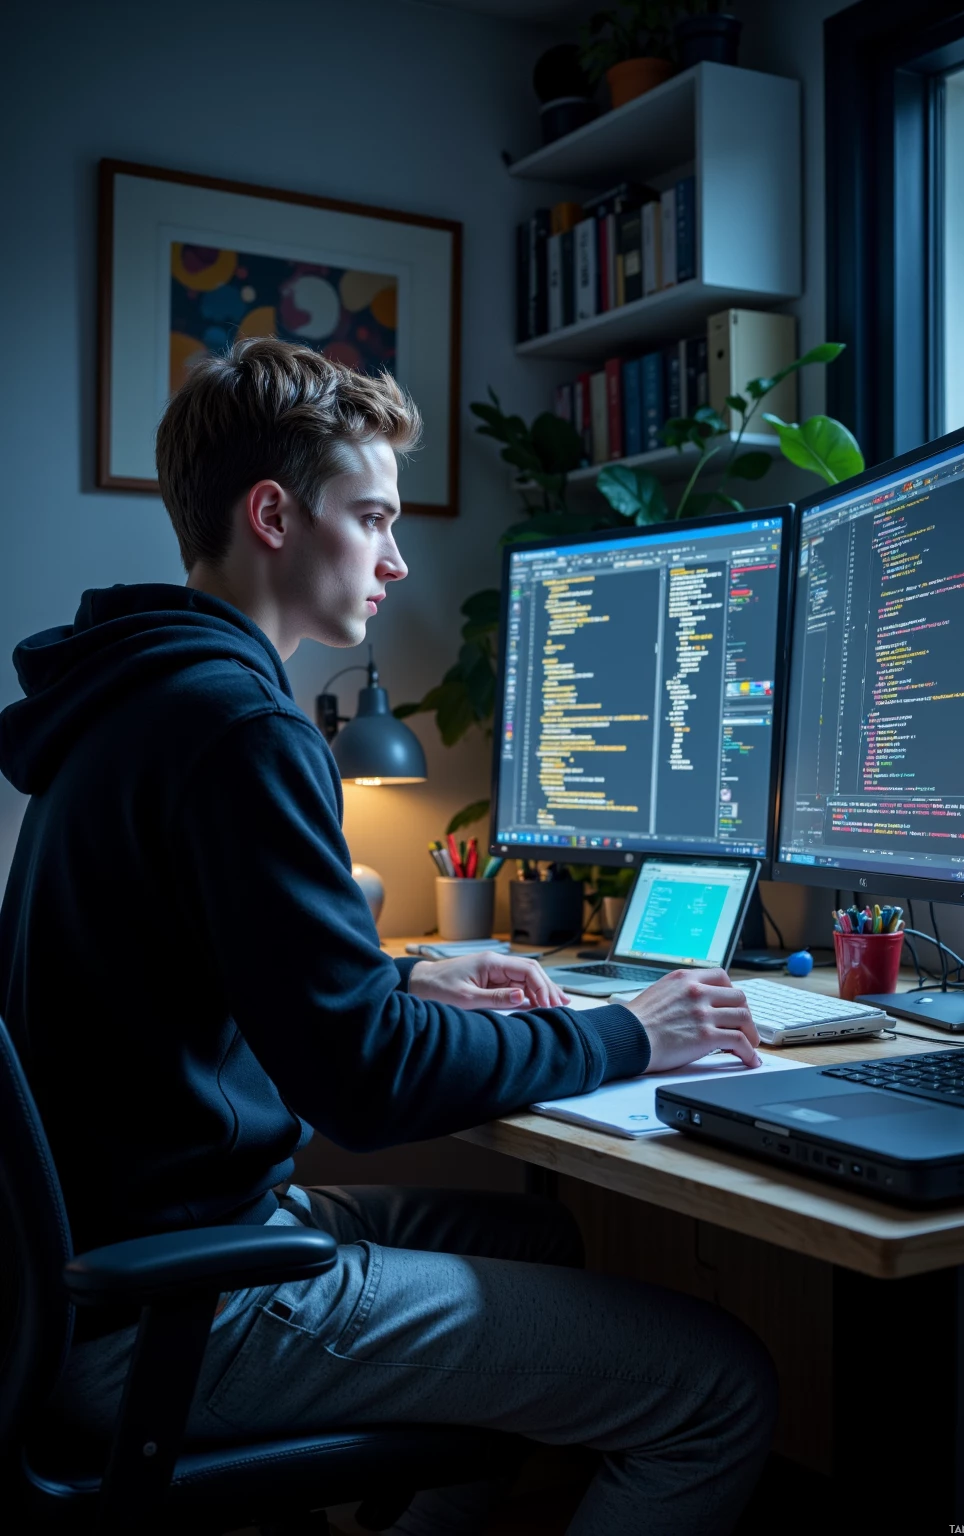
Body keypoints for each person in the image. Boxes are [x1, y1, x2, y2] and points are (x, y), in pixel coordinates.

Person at [0, 337, 776, 1535]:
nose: (397, 558)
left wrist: (408, 973)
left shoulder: (138, 696)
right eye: (372, 517)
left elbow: (215, 965)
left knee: (537, 1234)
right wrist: (629, 1034)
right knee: (717, 1387)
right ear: (273, 515)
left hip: (100, 1266)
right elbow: (365, 1081)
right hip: (166, 1308)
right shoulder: (239, 728)